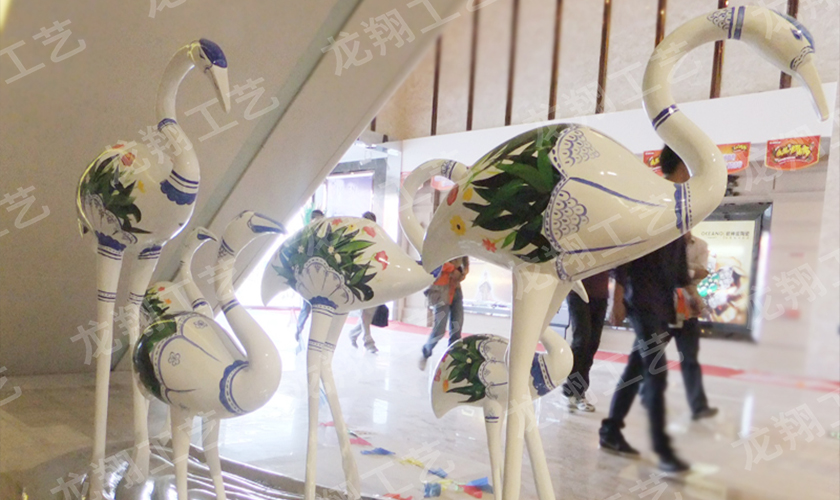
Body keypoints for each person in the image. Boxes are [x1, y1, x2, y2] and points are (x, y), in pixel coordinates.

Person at [598, 146, 692, 474]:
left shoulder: (678, 206)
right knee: (656, 371)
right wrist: (617, 297)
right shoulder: (651, 201)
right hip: (643, 300)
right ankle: (663, 451)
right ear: (682, 165)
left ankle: (611, 430)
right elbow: (627, 251)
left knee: (636, 369)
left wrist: (691, 292)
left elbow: (678, 258)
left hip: (661, 303)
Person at [671, 232, 718, 420]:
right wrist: (689, 272)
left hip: (688, 306)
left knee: (690, 357)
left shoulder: (700, 245)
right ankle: (646, 393)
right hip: (663, 307)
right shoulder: (664, 242)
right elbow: (666, 271)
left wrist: (681, 272)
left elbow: (701, 274)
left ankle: (698, 406)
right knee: (649, 354)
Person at [562, 271, 610, 412]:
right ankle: (574, 391)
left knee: (593, 343)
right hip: (578, 291)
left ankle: (576, 390)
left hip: (600, 294)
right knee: (582, 340)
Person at [418, 256, 469, 370]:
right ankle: (426, 351)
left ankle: (452, 361)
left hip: (455, 289)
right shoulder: (439, 248)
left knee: (457, 328)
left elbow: (465, 262)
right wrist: (453, 269)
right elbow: (432, 263)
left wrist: (463, 272)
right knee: (439, 330)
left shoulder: (459, 249)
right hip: (441, 291)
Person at [349, 211, 380, 353]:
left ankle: (354, 333)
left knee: (370, 311)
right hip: (361, 276)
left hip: (375, 275)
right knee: (366, 309)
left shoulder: (378, 236)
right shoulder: (357, 234)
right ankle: (368, 340)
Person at [295, 209, 325, 345]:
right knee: (306, 305)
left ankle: (317, 337)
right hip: (308, 275)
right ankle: (299, 329)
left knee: (320, 307)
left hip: (321, 276)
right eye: (317, 220)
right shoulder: (305, 236)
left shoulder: (325, 237)